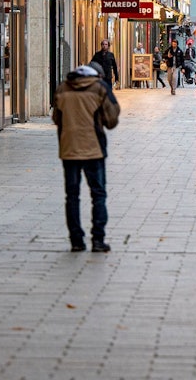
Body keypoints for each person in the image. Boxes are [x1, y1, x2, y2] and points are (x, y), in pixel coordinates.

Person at [52, 63, 120, 253]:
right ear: (97, 75)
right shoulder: (100, 88)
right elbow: (112, 119)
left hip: (69, 149)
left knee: (72, 196)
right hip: (94, 149)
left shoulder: (63, 87)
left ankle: (76, 240)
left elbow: (56, 117)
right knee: (98, 194)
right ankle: (98, 240)